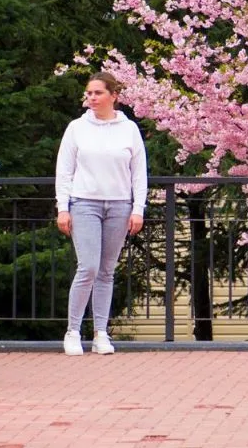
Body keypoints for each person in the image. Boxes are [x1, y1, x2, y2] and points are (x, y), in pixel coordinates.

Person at [55, 71, 147, 356]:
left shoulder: (128, 128)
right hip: (85, 203)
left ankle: (101, 333)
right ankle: (72, 330)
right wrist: (63, 207)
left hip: (119, 204)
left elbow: (138, 173)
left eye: (98, 93)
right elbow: (65, 170)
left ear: (113, 96)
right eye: (89, 93)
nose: (92, 98)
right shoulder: (76, 128)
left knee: (106, 271)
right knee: (89, 267)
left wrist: (137, 209)